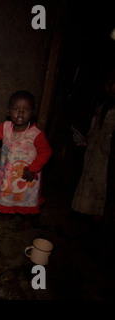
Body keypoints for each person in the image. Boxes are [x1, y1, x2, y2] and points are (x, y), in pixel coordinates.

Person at [0, 90, 52, 214]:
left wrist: (33, 169)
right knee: (7, 195)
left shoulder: (36, 134)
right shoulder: (5, 128)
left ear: (33, 112)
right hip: (8, 175)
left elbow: (46, 152)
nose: (20, 113)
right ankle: (7, 212)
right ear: (8, 111)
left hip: (27, 175)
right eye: (16, 109)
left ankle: (28, 219)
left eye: (26, 110)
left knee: (26, 199)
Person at [72, 68, 115, 223]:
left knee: (106, 201)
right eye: (109, 82)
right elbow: (94, 131)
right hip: (95, 161)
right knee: (92, 198)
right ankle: (91, 229)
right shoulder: (101, 106)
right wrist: (85, 141)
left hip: (109, 165)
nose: (112, 87)